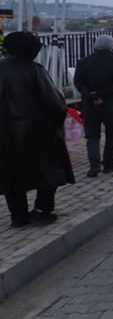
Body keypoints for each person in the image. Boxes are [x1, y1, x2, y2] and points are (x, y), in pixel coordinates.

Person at [0, 32, 75, 228]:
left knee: (11, 175)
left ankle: (18, 216)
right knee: (50, 170)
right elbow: (55, 103)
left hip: (4, 133)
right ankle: (41, 210)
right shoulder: (34, 70)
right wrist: (58, 120)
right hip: (38, 131)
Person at [74, 35, 113, 177]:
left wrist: (92, 96)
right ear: (111, 46)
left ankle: (94, 164)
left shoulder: (83, 62)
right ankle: (108, 164)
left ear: (95, 45)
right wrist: (102, 95)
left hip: (90, 105)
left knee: (92, 136)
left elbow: (78, 82)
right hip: (111, 105)